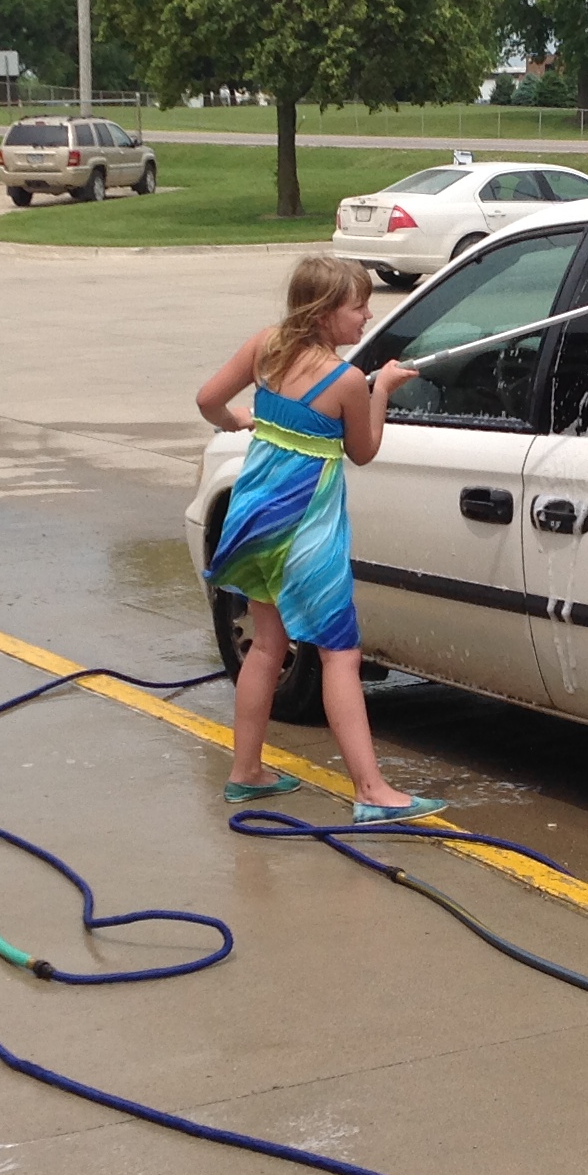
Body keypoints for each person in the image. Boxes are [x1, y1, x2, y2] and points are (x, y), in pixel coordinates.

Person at [197, 255, 442, 825]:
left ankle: (247, 773)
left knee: (266, 645)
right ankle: (372, 790)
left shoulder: (266, 347)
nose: (367, 314)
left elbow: (208, 399)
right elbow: (364, 450)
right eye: (358, 306)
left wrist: (238, 420)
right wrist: (382, 388)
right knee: (339, 653)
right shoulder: (346, 381)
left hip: (252, 518)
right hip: (307, 528)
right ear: (327, 313)